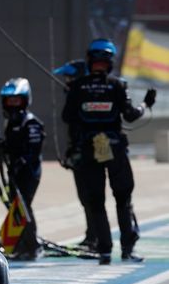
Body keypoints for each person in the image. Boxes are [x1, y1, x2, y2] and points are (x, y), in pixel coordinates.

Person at [62, 38, 156, 265]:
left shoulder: (77, 86)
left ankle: (104, 251)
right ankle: (127, 249)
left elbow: (67, 117)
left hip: (88, 150)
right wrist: (146, 104)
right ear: (109, 62)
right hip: (114, 148)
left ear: (89, 59)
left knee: (96, 202)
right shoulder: (117, 85)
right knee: (123, 199)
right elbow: (131, 115)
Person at [0, 78, 46, 259]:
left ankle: (33, 246)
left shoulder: (31, 122)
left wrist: (21, 162)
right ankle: (20, 245)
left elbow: (33, 150)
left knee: (24, 207)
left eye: (16, 100)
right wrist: (2, 146)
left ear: (25, 100)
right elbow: (12, 146)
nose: (12, 105)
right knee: (16, 207)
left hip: (29, 173)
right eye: (9, 101)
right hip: (14, 171)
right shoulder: (10, 123)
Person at [54, 59, 97, 252]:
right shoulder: (75, 96)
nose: (67, 81)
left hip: (90, 156)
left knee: (92, 196)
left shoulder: (85, 98)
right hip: (79, 154)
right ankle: (92, 235)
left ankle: (97, 237)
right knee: (85, 197)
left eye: (70, 77)